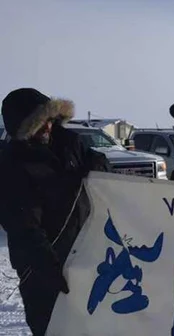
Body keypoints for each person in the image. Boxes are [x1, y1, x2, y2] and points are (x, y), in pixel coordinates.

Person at [0, 88, 109, 335]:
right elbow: (23, 227)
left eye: (49, 119)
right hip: (41, 269)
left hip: (83, 254)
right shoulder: (12, 165)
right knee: (52, 327)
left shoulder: (69, 143)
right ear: (22, 127)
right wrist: (49, 269)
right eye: (39, 123)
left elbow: (101, 163)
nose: (47, 127)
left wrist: (97, 166)